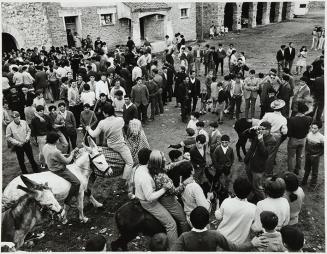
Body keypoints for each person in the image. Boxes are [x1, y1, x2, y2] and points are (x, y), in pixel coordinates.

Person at [171, 206, 268, 251]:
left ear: (191, 222)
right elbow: (234, 248)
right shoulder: (215, 235)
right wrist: (252, 243)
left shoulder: (184, 237)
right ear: (208, 222)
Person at [133, 149, 177, 249]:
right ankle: (174, 249)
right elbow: (150, 197)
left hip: (143, 196)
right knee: (171, 224)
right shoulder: (145, 177)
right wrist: (165, 188)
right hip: (149, 203)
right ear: (149, 160)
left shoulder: (140, 168)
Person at [86, 104, 133, 183]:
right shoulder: (120, 120)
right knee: (130, 163)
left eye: (103, 112)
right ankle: (122, 182)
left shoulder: (102, 123)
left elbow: (94, 134)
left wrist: (88, 129)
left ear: (105, 113)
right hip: (120, 146)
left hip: (110, 144)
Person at [150, 151, 190, 234]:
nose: (165, 159)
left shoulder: (154, 169)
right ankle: (185, 237)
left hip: (161, 197)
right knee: (183, 220)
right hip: (168, 200)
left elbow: (170, 166)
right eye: (163, 157)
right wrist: (184, 184)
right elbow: (175, 192)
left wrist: (182, 161)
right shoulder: (163, 177)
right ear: (159, 161)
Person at [42, 131, 79, 207]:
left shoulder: (45, 146)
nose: (59, 140)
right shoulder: (56, 152)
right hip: (59, 170)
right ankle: (68, 200)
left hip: (50, 167)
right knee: (77, 182)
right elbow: (67, 161)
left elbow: (41, 156)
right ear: (55, 140)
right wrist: (72, 153)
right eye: (58, 139)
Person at [215, 177, 256, 245]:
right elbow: (255, 227)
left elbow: (218, 217)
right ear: (249, 192)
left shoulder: (226, 201)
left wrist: (217, 203)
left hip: (221, 240)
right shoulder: (253, 208)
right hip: (239, 245)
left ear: (234, 189)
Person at [244, 122, 277, 202]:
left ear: (268, 130)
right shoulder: (257, 134)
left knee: (258, 187)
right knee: (250, 182)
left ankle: (263, 201)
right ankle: (252, 195)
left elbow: (265, 154)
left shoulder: (272, 140)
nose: (260, 130)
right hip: (249, 163)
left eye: (263, 129)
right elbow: (244, 134)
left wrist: (261, 140)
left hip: (258, 167)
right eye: (260, 128)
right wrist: (251, 129)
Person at [287, 102, 312, 174]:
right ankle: (297, 169)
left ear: (298, 110)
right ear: (305, 111)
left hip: (294, 140)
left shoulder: (292, 119)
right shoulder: (308, 119)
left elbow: (289, 134)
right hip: (303, 140)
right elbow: (307, 130)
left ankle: (290, 172)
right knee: (299, 156)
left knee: (291, 157)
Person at [302, 121, 324, 188]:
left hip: (315, 157)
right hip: (308, 155)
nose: (313, 130)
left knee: (314, 172)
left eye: (315, 128)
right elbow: (306, 144)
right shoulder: (309, 134)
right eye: (312, 128)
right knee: (306, 169)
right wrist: (305, 152)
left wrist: (317, 155)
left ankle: (313, 185)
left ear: (319, 128)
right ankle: (304, 181)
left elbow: (324, 149)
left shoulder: (321, 137)